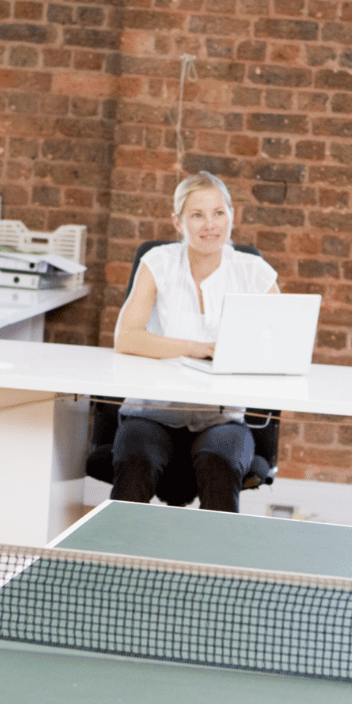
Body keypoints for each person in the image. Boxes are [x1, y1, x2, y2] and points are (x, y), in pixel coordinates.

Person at [111, 173, 278, 512]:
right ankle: (116, 562)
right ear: (178, 221)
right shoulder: (157, 261)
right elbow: (126, 337)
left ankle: (213, 566)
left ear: (232, 215)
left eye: (219, 213)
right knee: (136, 459)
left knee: (221, 462)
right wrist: (195, 348)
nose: (210, 225)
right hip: (152, 412)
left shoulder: (253, 271)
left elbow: (280, 344)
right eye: (197, 215)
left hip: (222, 417)